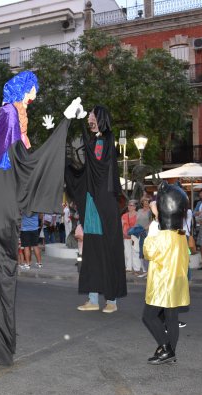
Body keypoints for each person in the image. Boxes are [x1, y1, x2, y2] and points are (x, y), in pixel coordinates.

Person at [0, 71, 82, 366]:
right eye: (33, 89)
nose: (34, 95)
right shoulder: (9, 115)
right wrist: (64, 121)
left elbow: (12, 155)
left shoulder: (10, 120)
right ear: (24, 89)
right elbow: (22, 159)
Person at [66, 105, 126, 314]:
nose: (89, 119)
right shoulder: (94, 141)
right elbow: (87, 169)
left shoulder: (105, 140)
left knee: (108, 250)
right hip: (93, 201)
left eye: (92, 116)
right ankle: (92, 299)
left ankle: (112, 300)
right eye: (88, 116)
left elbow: (97, 162)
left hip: (105, 202)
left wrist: (82, 124)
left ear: (100, 118)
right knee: (91, 251)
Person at [142, 182, 190, 365]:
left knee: (149, 316)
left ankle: (166, 349)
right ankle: (171, 352)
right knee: (171, 317)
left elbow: (148, 251)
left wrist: (154, 223)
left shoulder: (160, 236)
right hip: (176, 281)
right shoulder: (180, 235)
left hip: (163, 284)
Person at [121, 200, 141, 273]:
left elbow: (139, 226)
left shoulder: (138, 215)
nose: (129, 206)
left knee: (135, 251)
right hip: (125, 236)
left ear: (135, 207)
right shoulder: (124, 215)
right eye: (129, 205)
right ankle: (128, 267)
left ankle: (136, 269)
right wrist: (123, 233)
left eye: (131, 205)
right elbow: (121, 225)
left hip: (134, 236)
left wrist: (133, 233)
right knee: (127, 252)